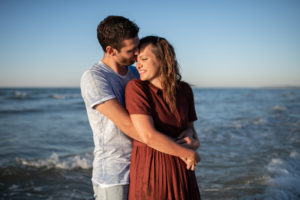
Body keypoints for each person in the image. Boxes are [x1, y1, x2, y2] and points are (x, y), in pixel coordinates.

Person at [81, 16, 199, 200]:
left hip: (145, 162)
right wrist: (183, 150)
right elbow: (131, 127)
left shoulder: (136, 73)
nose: (136, 54)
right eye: (131, 51)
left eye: (138, 48)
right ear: (111, 50)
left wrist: (190, 136)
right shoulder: (95, 78)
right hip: (115, 174)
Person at [125, 36, 201, 199]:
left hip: (183, 172)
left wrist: (190, 137)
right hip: (152, 172)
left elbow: (190, 128)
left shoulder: (184, 90)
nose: (138, 65)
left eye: (144, 59)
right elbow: (148, 136)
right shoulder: (137, 89)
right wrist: (188, 153)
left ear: (163, 60)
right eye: (136, 60)